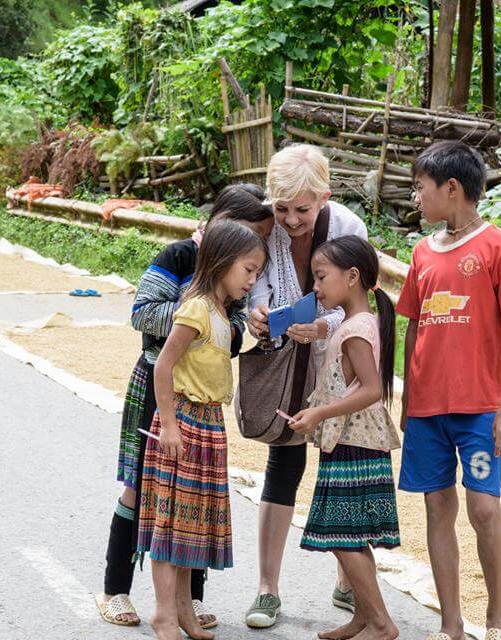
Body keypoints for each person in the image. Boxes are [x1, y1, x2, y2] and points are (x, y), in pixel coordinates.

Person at [95, 184, 273, 628]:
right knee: (143, 489)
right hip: (160, 389)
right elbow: (141, 312)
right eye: (246, 234)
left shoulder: (234, 282)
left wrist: (228, 324)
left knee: (195, 500)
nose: (253, 254)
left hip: (202, 401)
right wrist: (195, 319)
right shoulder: (179, 258)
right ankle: (115, 589)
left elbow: (232, 334)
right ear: (221, 227)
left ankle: (187, 600)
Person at [395, 141, 501, 640]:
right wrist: (407, 398)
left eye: (421, 187)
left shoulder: (498, 247)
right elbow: (413, 327)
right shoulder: (422, 251)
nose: (416, 197)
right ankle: (450, 624)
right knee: (436, 507)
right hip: (428, 409)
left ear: (452, 188)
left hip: (479, 409)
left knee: (484, 507)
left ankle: (498, 616)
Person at [244, 143, 368, 628]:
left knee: (340, 466)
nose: (291, 220)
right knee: (284, 459)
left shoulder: (348, 229)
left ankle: (347, 580)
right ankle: (267, 588)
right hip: (284, 360)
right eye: (282, 209)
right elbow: (256, 278)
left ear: (325, 197)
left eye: (302, 209)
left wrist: (324, 326)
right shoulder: (267, 226)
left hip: (338, 356)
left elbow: (361, 294)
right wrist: (258, 312)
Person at [137, 220, 268, 640]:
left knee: (193, 521)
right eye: (248, 270)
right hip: (183, 421)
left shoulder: (221, 314)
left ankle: (183, 611)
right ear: (223, 263)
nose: (253, 280)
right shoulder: (195, 308)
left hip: (210, 423)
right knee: (171, 519)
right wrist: (170, 426)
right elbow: (163, 365)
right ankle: (162, 612)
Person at [289, 236, 403, 640]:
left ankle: (381, 623)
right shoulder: (361, 323)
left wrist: (320, 411)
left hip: (355, 443)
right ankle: (364, 616)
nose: (315, 287)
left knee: (343, 537)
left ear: (352, 277)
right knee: (349, 537)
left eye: (321, 277)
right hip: (352, 441)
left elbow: (370, 389)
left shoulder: (356, 329)